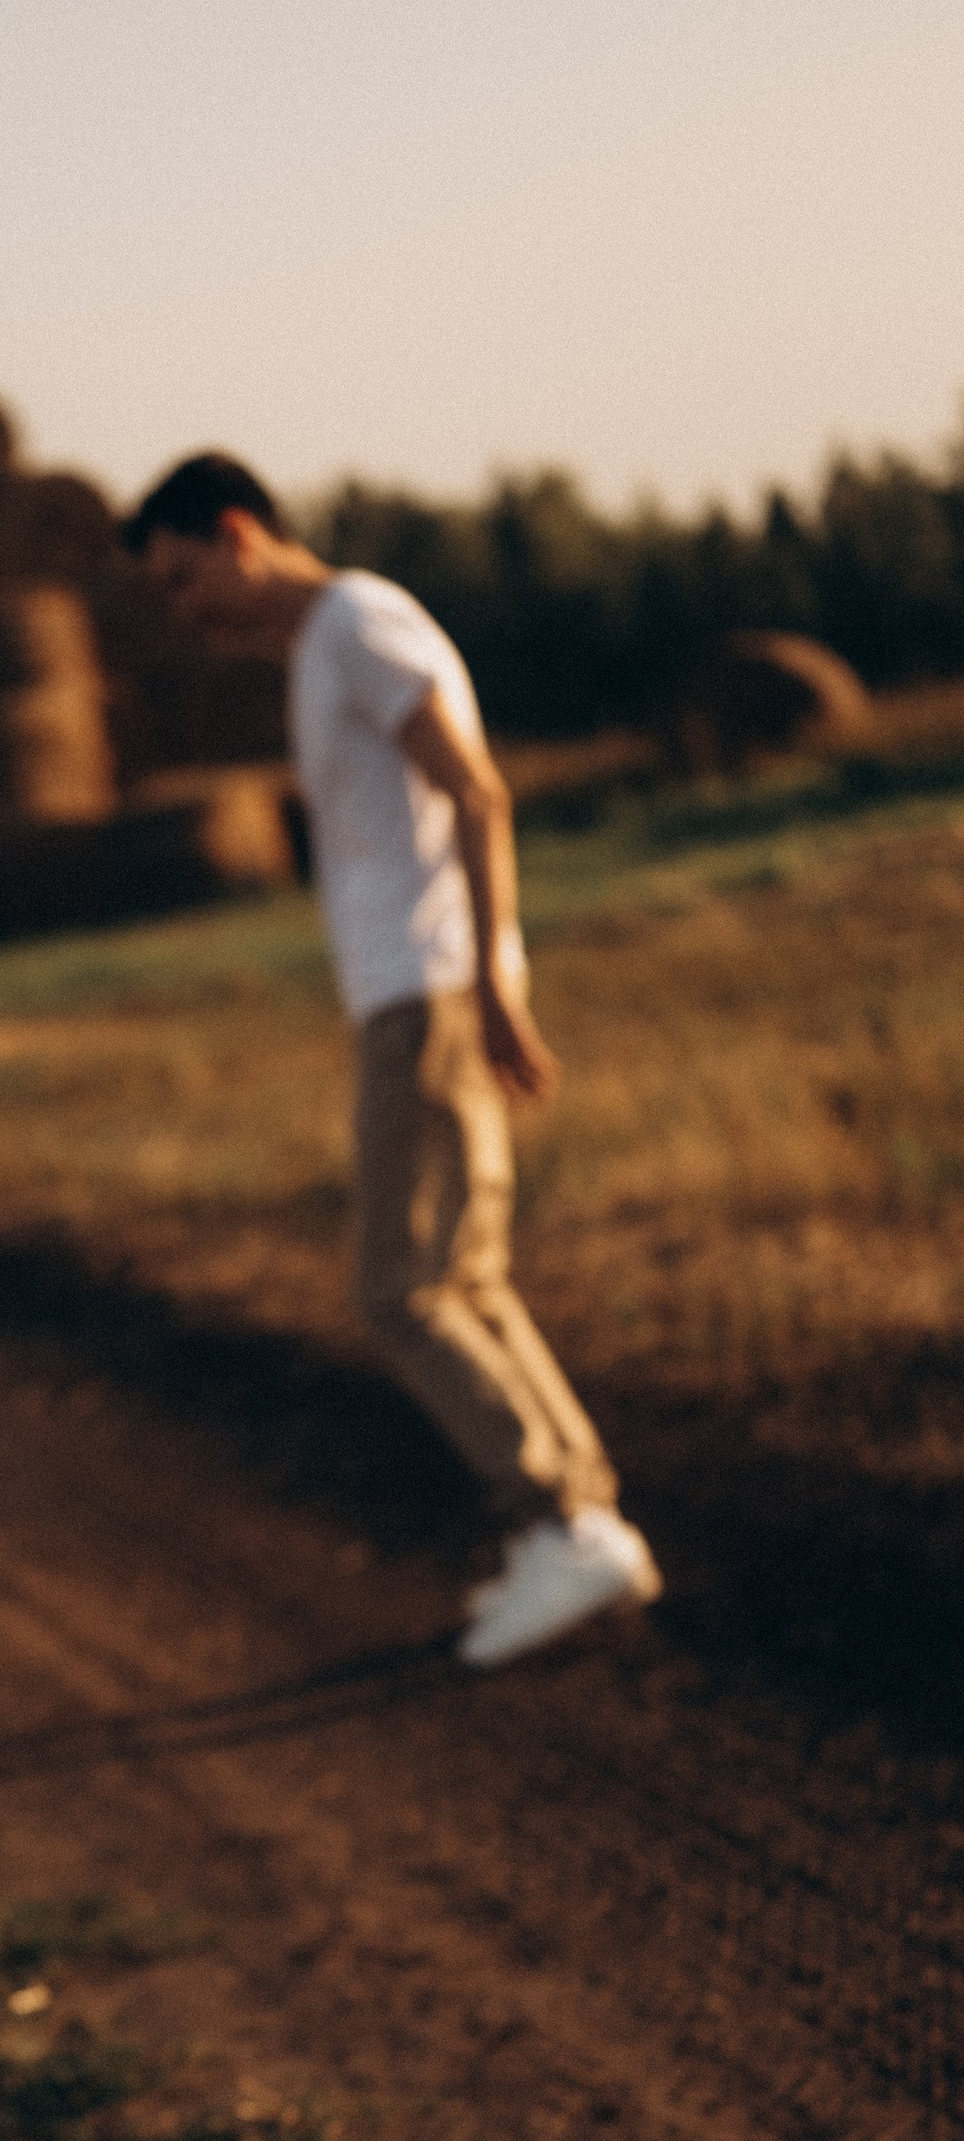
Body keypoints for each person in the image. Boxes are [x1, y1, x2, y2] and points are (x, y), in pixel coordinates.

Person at [128, 455, 660, 1670]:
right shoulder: (327, 642)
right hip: (421, 989)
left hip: (425, 992)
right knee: (461, 1277)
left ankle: (563, 1523)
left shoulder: (359, 625)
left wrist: (489, 986)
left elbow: (475, 791)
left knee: (397, 1289)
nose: (183, 610)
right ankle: (578, 1521)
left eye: (182, 578)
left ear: (236, 533)